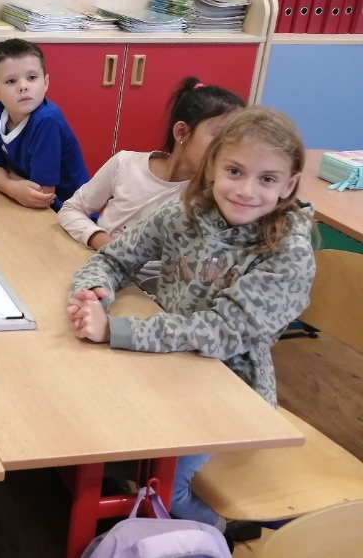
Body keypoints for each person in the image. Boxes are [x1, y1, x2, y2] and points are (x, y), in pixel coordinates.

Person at [64, 106, 316, 532]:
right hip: (166, 363)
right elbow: (113, 258)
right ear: (212, 166)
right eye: (234, 171)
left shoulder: (288, 255)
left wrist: (115, 330)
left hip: (230, 389)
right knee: (96, 423)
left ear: (288, 185)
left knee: (169, 486)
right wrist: (93, 294)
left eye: (267, 179)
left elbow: (218, 332)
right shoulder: (184, 213)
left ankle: (226, 530)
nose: (246, 190)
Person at [59, 78, 245, 251]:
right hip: (99, 264)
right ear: (181, 132)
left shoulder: (212, 195)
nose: (229, 148)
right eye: (219, 136)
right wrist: (104, 243)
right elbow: (71, 209)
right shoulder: (125, 164)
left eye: (235, 140)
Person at [0, 38, 88, 211]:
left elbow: (42, 195)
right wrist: (12, 187)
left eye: (32, 78)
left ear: (45, 83)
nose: (23, 86)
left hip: (70, 212)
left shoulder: (47, 120)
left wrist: (8, 176)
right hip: (25, 205)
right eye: (11, 81)